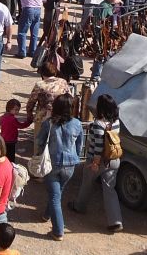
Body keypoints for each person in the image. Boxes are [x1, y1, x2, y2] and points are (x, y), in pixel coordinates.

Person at [69, 93, 123, 232]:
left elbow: (98, 147)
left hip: (98, 161)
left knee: (86, 183)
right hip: (113, 160)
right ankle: (116, 221)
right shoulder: (116, 122)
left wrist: (95, 163)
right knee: (110, 190)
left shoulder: (98, 125)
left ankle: (79, 206)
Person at [35, 94, 83, 241]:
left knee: (55, 197)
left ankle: (58, 231)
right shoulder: (77, 123)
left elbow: (40, 141)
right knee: (58, 193)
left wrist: (39, 155)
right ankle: (47, 215)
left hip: (52, 164)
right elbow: (79, 145)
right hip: (70, 165)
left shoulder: (48, 123)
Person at [25, 63, 69, 154]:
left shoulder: (40, 85)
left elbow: (31, 102)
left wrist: (29, 114)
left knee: (40, 142)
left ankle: (38, 161)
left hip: (42, 117)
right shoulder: (63, 82)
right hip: (60, 116)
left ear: (42, 73)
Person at [0, 99, 31, 165]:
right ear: (9, 108)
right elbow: (21, 126)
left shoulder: (3, 117)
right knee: (11, 157)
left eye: (18, 110)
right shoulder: (13, 119)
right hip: (11, 141)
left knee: (5, 155)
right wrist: (28, 122)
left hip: (3, 139)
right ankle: (11, 168)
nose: (17, 112)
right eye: (16, 110)